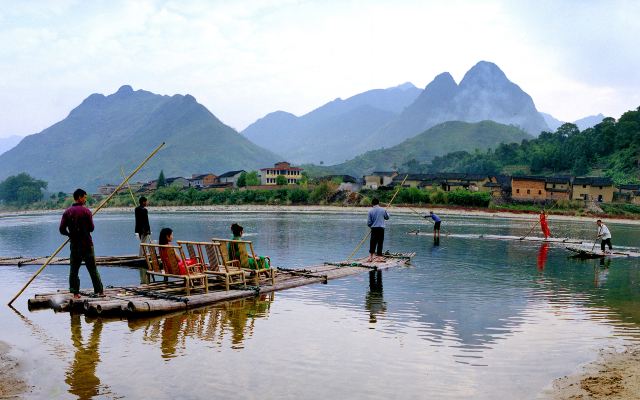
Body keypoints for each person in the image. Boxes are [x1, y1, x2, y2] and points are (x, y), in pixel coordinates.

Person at [59, 188, 104, 299]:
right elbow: (92, 228)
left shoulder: (67, 212)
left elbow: (61, 229)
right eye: (84, 197)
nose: (85, 200)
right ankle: (100, 291)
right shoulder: (86, 211)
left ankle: (75, 293)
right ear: (79, 197)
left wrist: (70, 235)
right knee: (93, 269)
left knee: (74, 270)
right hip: (87, 244)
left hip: (75, 245)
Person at [367, 198, 389, 262]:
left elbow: (368, 223)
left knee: (372, 242)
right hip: (381, 229)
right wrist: (386, 213)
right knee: (380, 242)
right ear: (378, 203)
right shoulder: (383, 210)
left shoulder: (370, 211)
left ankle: (370, 257)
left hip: (374, 228)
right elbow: (387, 217)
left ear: (372, 204)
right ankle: (379, 257)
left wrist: (371, 226)